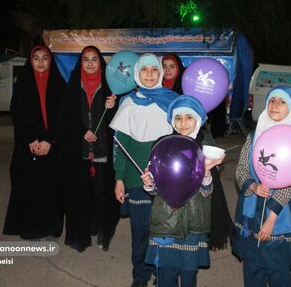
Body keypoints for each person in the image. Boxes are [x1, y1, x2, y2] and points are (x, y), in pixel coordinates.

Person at [141, 95, 225, 287]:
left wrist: (206, 172)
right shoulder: (162, 145)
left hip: (193, 223)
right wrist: (148, 183)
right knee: (166, 275)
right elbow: (155, 188)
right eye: (178, 118)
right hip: (166, 223)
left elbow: (207, 191)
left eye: (189, 117)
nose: (183, 123)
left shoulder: (206, 150)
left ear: (197, 120)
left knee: (189, 275)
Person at [110, 53, 178, 287]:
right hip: (136, 180)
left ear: (160, 73)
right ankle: (140, 275)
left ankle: (162, 274)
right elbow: (120, 145)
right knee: (140, 233)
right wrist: (119, 178)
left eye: (154, 70)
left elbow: (181, 140)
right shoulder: (128, 103)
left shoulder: (172, 101)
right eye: (144, 70)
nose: (149, 75)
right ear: (137, 73)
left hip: (166, 181)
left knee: (162, 232)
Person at [232, 85, 291, 287]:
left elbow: (290, 181)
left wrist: (271, 219)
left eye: (282, 101)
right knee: (252, 266)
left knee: (276, 267)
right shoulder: (254, 135)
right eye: (271, 100)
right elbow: (241, 169)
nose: (275, 105)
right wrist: (252, 186)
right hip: (251, 208)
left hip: (277, 212)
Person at [59, 46, 119, 252]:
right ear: (80, 62)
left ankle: (101, 230)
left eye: (94, 59)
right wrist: (81, 131)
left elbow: (117, 123)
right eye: (86, 59)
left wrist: (112, 108)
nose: (91, 63)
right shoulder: (73, 86)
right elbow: (65, 117)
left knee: (102, 194)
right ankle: (80, 235)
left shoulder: (110, 87)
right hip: (79, 151)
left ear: (101, 63)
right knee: (80, 195)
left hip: (102, 149)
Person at [3, 45, 66, 240]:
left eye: (45, 58)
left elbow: (63, 117)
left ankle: (50, 228)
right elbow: (18, 115)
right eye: (36, 58)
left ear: (50, 60)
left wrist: (49, 140)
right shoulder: (23, 84)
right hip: (27, 146)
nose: (40, 62)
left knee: (51, 188)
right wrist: (31, 139)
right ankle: (31, 229)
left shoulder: (59, 84)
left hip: (52, 147)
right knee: (29, 188)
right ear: (30, 61)